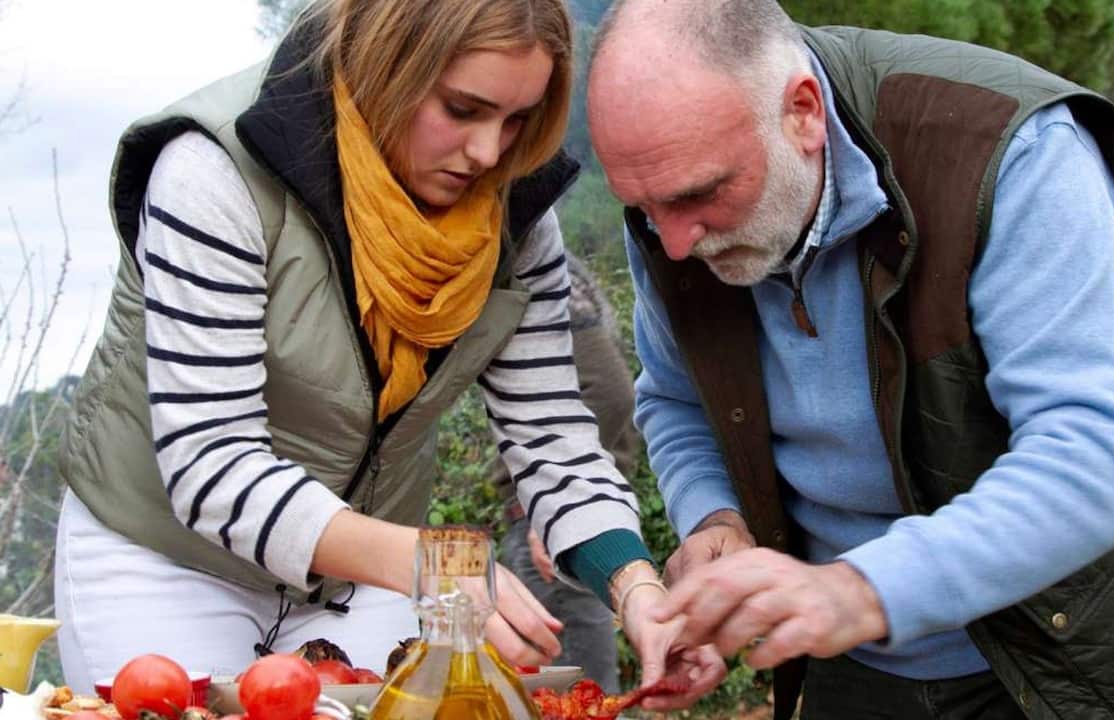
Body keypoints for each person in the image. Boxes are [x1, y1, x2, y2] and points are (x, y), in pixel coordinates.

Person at [53, 0, 723, 705]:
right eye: (463, 109)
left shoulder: (517, 214)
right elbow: (210, 463)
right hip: (168, 556)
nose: (490, 153)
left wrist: (638, 587)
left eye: (518, 119)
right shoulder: (213, 170)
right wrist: (433, 564)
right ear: (390, 65)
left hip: (367, 570)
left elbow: (552, 438)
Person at [585, 1, 1114, 719]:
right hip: (856, 644)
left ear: (802, 113)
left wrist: (860, 589)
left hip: (1060, 640)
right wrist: (714, 517)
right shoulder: (675, 203)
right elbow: (677, 400)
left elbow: (1094, 459)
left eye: (700, 194)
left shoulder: (1009, 149)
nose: (675, 246)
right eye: (645, 209)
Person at [494, 251, 640, 694]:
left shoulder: (547, 274)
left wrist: (555, 501)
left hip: (559, 524)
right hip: (563, 518)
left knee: (576, 692)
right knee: (559, 689)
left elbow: (614, 393)